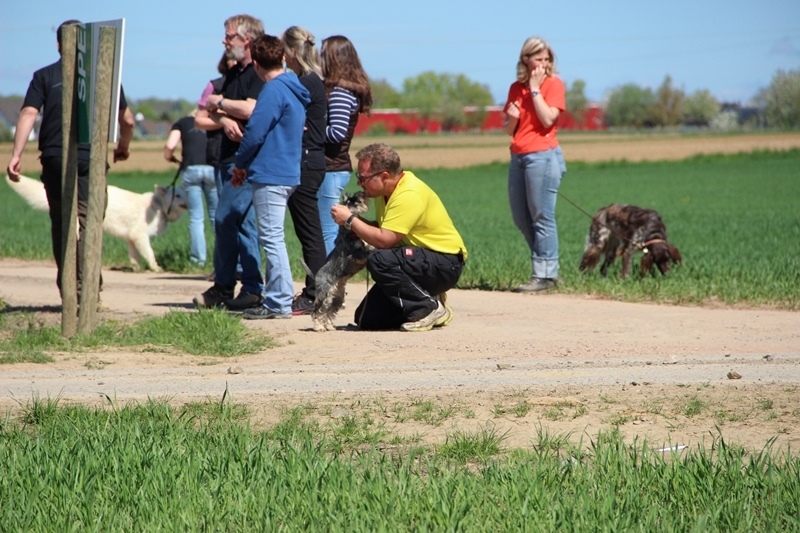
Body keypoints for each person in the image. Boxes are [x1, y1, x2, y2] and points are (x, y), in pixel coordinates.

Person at [5, 19, 134, 302]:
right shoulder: (104, 74)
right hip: (91, 156)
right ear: (86, 44)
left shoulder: (44, 76)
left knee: (62, 223)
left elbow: (28, 114)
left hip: (53, 156)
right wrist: (123, 147)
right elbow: (127, 120)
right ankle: (88, 289)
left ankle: (70, 290)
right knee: (90, 222)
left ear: (59, 44)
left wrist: (16, 154)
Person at [330, 143, 467, 332]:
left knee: (378, 259)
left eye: (363, 178)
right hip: (417, 260)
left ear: (384, 176)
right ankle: (428, 296)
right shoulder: (383, 193)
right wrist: (354, 223)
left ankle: (427, 307)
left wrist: (350, 220)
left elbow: (383, 240)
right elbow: (381, 230)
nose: (360, 183)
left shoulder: (408, 193)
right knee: (367, 319)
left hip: (444, 263)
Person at [231, 34, 310, 320]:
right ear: (282, 58)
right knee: (275, 238)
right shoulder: (294, 88)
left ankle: (277, 302)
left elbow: (254, 132)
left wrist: (240, 163)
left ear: (256, 63)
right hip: (288, 171)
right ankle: (280, 300)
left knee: (272, 239)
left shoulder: (273, 90)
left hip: (271, 173)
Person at [193, 14, 265, 311]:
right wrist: (223, 118)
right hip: (227, 158)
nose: (225, 41)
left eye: (230, 36)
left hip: (244, 159)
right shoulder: (234, 74)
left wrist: (219, 105)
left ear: (247, 40)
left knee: (224, 219)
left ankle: (223, 287)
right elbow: (204, 117)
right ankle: (251, 288)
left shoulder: (258, 73)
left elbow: (250, 109)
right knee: (244, 225)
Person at [503, 36, 567, 293]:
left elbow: (548, 119)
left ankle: (545, 275)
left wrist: (535, 89)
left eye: (547, 59)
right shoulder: (514, 88)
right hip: (518, 154)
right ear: (526, 60)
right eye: (538, 58)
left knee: (541, 216)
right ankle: (545, 268)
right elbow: (510, 129)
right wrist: (511, 118)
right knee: (521, 217)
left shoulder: (553, 85)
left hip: (543, 155)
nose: (544, 63)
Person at [281, 26, 328, 316]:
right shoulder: (310, 80)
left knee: (310, 234)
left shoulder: (305, 83)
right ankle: (316, 293)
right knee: (309, 232)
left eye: (283, 51)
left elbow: (279, 97)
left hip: (307, 163)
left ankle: (314, 295)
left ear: (292, 52)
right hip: (311, 162)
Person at [318, 35, 372, 255]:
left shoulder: (340, 92)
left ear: (334, 59)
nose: (320, 59)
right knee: (327, 231)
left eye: (323, 55)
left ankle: (330, 288)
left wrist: (308, 131)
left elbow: (337, 133)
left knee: (328, 232)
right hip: (333, 167)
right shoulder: (341, 90)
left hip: (331, 168)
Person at [164, 110, 217, 266]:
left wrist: (171, 158)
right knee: (215, 217)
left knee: (196, 217)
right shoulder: (214, 121)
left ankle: (198, 260)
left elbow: (170, 145)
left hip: (190, 169)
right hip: (212, 169)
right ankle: (222, 263)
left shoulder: (182, 122)